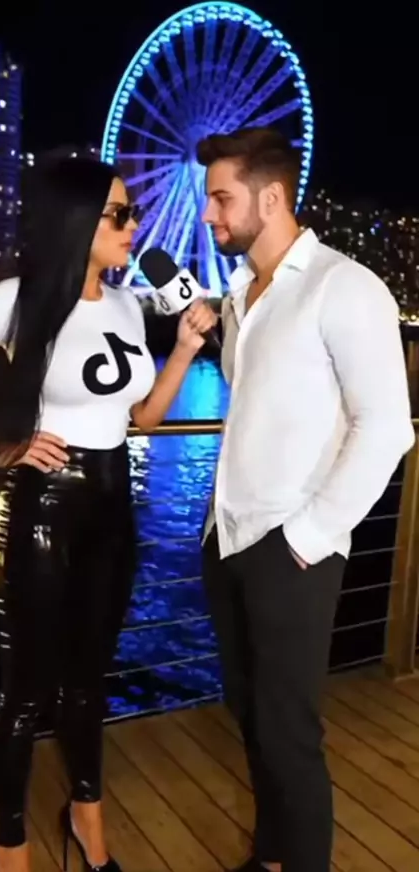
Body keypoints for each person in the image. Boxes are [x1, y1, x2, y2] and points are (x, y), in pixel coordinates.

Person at [0, 155, 217, 872]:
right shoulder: (17, 299)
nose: (134, 225)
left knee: (90, 681)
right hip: (41, 508)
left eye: (132, 212)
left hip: (112, 508)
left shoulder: (126, 305)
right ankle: (9, 846)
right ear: (76, 220)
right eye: (119, 214)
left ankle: (88, 822)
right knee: (26, 693)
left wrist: (185, 349)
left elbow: (141, 419)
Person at [196, 127, 414, 872]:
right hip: (228, 537)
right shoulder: (242, 295)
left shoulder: (344, 287)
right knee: (251, 715)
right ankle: (271, 858)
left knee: (289, 733)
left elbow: (387, 426)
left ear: (270, 198)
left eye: (221, 198)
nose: (210, 214)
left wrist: (307, 537)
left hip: (290, 547)